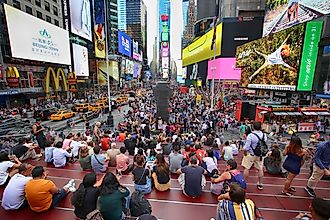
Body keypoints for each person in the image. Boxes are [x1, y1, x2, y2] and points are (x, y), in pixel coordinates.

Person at [242, 121, 267, 190]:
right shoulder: (264, 135)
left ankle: (244, 183)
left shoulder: (250, 135)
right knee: (260, 169)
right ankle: (260, 183)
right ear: (261, 127)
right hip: (260, 155)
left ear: (253, 127)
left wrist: (244, 153)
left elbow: (246, 147)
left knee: (247, 168)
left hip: (251, 154)